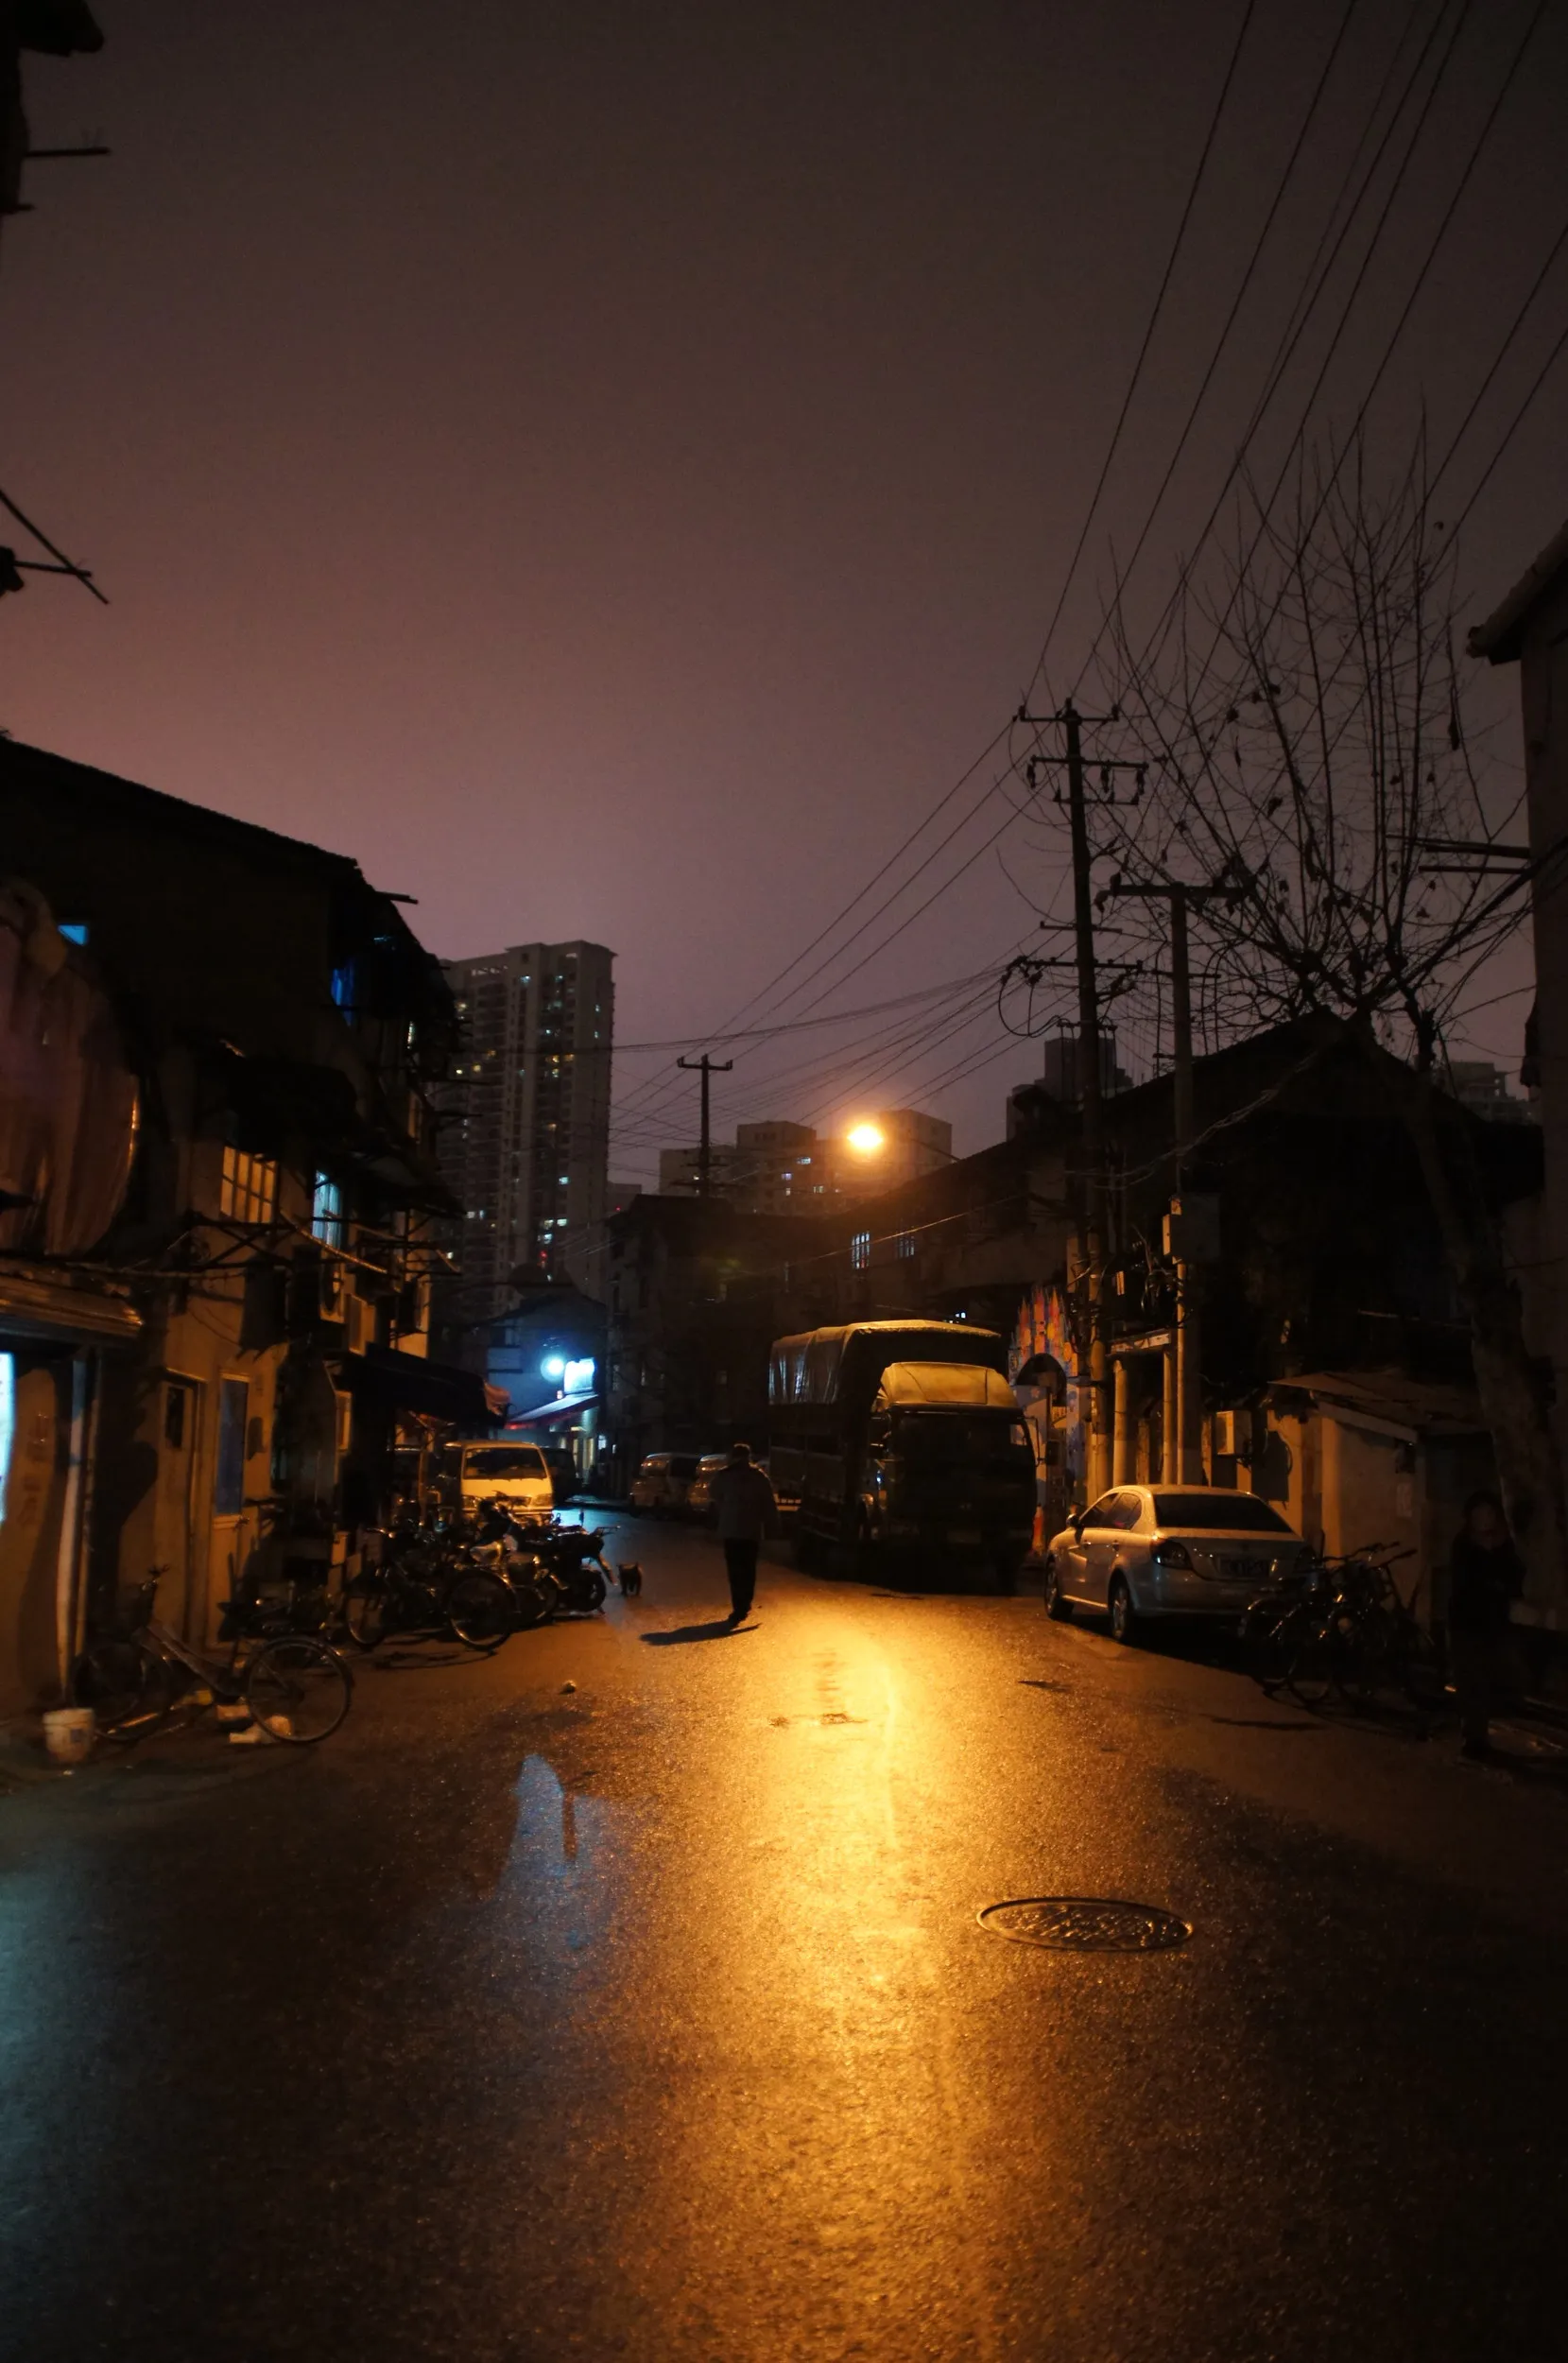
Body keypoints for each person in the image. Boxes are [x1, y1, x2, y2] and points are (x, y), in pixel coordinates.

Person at [1446, 1490, 1525, 1760]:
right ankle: (1473, 1738)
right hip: (1465, 1623)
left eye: (1489, 1513)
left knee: (1490, 1678)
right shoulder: (1463, 1544)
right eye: (1478, 1514)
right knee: (1470, 1680)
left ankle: (1482, 1733)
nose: (1484, 1519)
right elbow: (1465, 1584)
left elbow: (1514, 1578)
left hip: (1494, 1623)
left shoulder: (1504, 1544)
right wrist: (1492, 1585)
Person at [709, 1441, 777, 1627]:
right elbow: (769, 1503)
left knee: (735, 1569)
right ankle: (745, 1603)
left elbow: (713, 1493)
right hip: (751, 1531)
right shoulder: (759, 1476)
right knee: (748, 1569)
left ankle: (738, 1605)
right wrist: (771, 1523)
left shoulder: (724, 1476)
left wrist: (726, 1507)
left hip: (731, 1530)